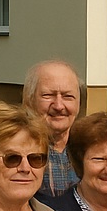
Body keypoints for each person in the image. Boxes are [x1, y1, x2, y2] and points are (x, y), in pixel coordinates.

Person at [24, 60, 82, 199]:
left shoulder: (89, 148)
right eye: (48, 95)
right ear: (30, 100)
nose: (59, 106)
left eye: (68, 96)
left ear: (78, 103)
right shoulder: (17, 153)